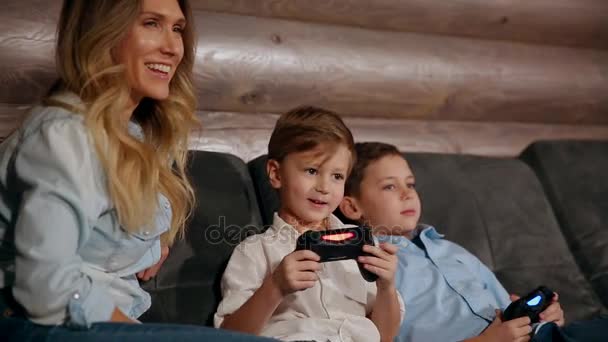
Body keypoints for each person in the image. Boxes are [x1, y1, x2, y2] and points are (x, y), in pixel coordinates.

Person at [0, 0, 274, 341]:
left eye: (177, 29)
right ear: (101, 33)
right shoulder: (65, 134)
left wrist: (155, 241)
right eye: (151, 23)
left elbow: (112, 226)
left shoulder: (133, 133)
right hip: (35, 324)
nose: (173, 47)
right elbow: (46, 288)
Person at [338, 142, 608, 342]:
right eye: (389, 186)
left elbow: (506, 305)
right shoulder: (368, 265)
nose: (408, 194)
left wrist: (542, 316)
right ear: (351, 207)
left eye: (411, 184)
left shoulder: (450, 250)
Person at [214, 107, 404, 342]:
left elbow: (385, 336)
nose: (324, 187)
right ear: (276, 174)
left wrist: (387, 287)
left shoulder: (361, 243)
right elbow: (227, 337)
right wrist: (275, 287)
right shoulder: (255, 251)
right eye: (312, 171)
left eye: (337, 176)